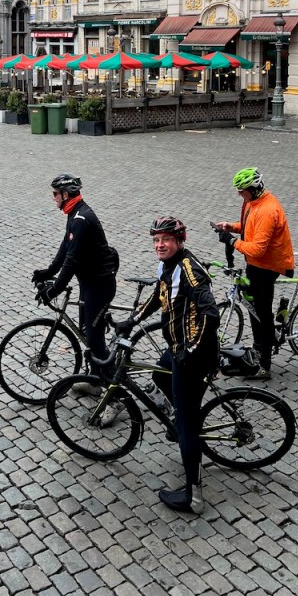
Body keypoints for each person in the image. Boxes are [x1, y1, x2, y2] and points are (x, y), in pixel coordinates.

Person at [115, 217, 219, 514]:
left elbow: (211, 314)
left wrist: (192, 349)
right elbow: (157, 298)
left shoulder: (189, 270)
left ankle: (193, 497)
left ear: (179, 241)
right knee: (159, 376)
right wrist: (132, 321)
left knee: (187, 426)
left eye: (166, 240)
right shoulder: (167, 266)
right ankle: (180, 421)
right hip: (177, 350)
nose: (160, 245)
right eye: (156, 240)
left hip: (193, 356)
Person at [216, 167, 294, 380]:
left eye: (241, 190)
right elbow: (249, 227)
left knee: (263, 314)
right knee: (254, 308)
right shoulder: (254, 202)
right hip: (256, 264)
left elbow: (258, 249)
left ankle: (264, 365)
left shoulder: (267, 210)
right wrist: (231, 227)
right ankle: (259, 346)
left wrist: (232, 241)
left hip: (267, 266)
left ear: (253, 188)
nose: (239, 194)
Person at [33, 174, 117, 363]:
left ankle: (111, 378)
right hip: (88, 283)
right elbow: (65, 247)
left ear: (65, 194)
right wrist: (48, 272)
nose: (53, 198)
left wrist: (55, 289)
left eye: (55, 194)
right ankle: (96, 371)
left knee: (94, 340)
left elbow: (72, 260)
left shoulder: (81, 219)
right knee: (86, 330)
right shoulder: (75, 213)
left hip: (99, 286)